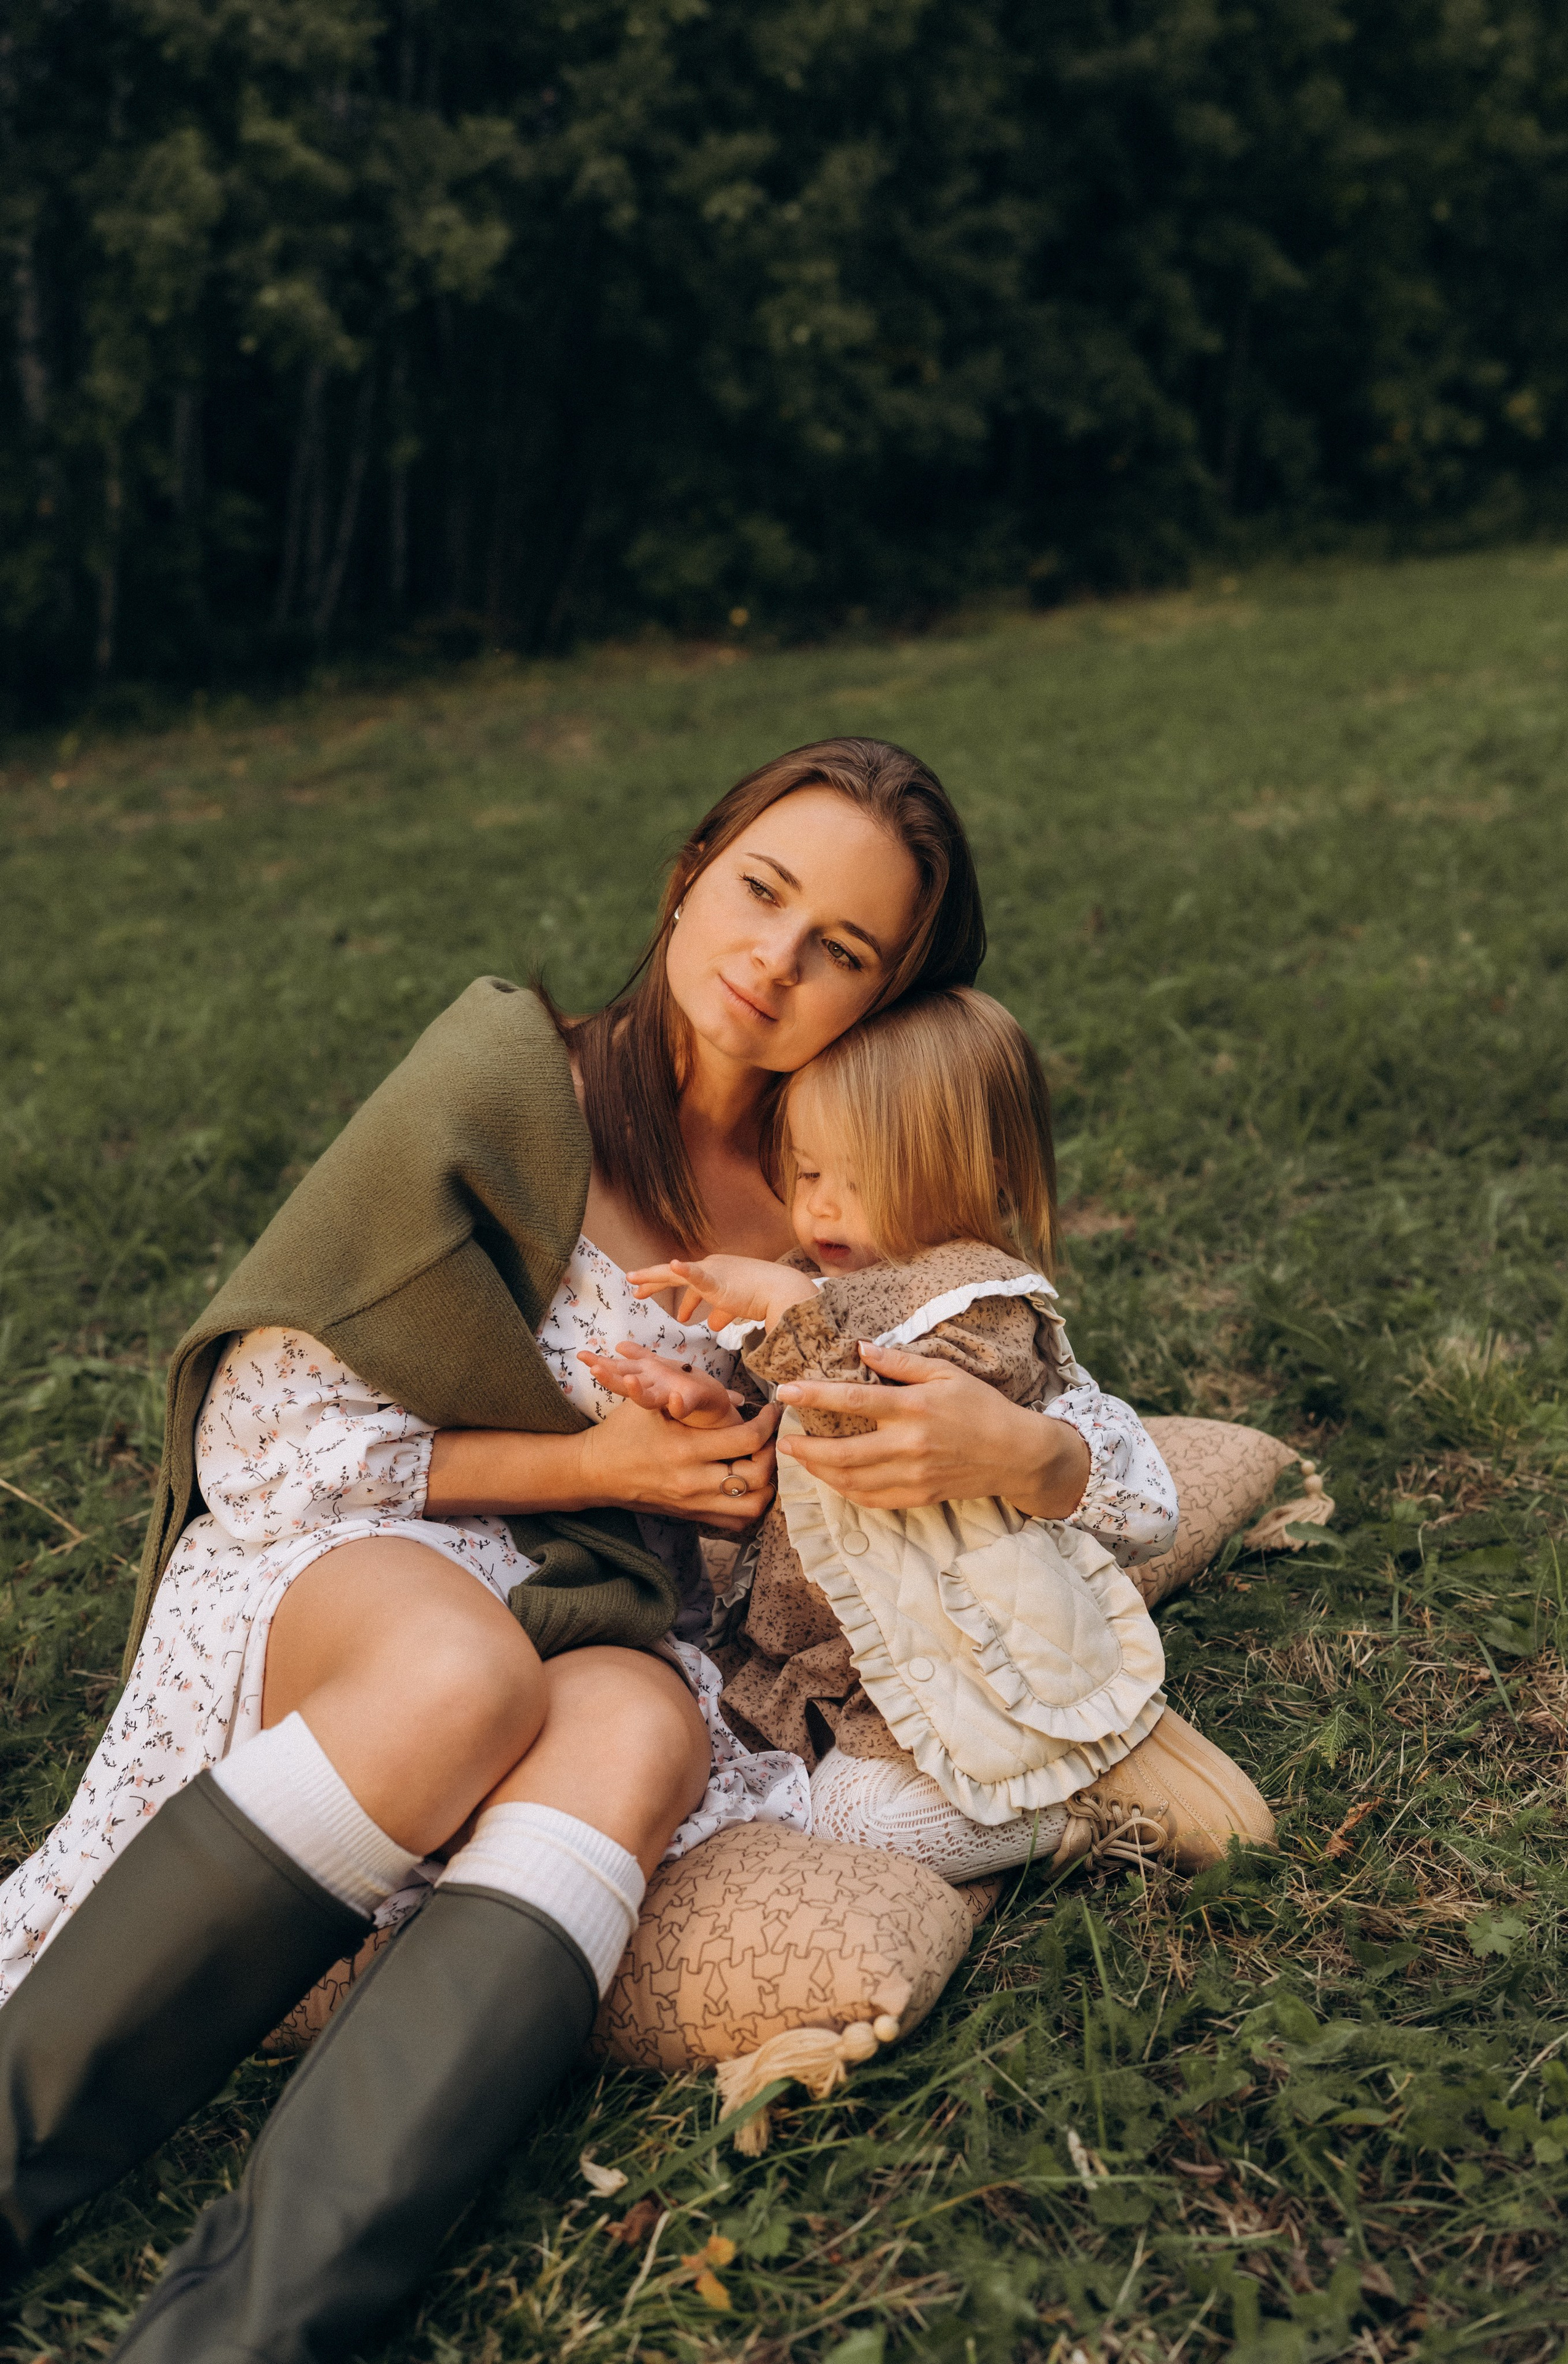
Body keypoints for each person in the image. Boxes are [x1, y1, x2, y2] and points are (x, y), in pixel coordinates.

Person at [0, 738, 1171, 2363]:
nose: (775, 960)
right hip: (364, 1562)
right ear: (693, 872)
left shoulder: (845, 1197)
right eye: (763, 892)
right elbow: (257, 1444)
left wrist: (1019, 1449)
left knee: (644, 1726)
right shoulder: (505, 1086)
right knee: (461, 1670)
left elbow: (1109, 1450)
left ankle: (243, 2338)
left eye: (844, 950)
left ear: (889, 999)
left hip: (612, 1633)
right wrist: (600, 1457)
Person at [600, 986, 1274, 1884]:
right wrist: (719, 1419)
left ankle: (1073, 1810)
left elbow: (866, 1436)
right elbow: (796, 1450)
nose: (823, 1212)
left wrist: (795, 1318)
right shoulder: (816, 1278)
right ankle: (1030, 1784)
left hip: (948, 1643)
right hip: (829, 1650)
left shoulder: (977, 1301)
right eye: (805, 1175)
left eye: (859, 1180)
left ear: (973, 1170)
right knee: (733, 1775)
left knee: (857, 1825)